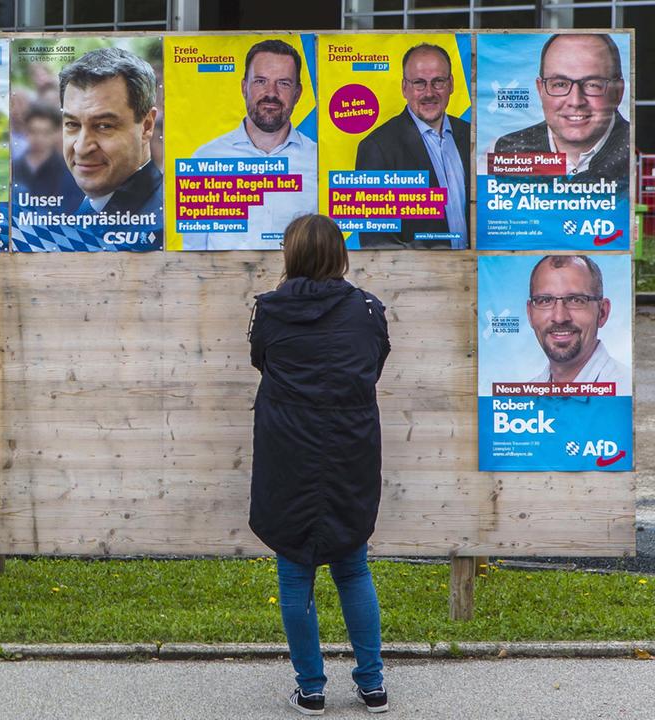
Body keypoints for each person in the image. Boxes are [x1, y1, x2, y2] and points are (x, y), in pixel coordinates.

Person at [248, 214, 391, 716]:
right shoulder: (368, 310)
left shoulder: (269, 311)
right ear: (338, 254)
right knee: (353, 566)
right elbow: (374, 366)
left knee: (294, 573)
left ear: (292, 255)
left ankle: (311, 688)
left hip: (288, 450)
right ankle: (372, 686)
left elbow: (261, 361)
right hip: (349, 448)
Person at [183, 40, 317, 250]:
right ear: (244, 87)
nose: (271, 93)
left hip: (296, 283)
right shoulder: (205, 158)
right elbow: (192, 249)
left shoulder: (317, 160)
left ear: (298, 93)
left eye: (283, 83)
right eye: (261, 81)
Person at [355, 44, 470, 249]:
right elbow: (376, 241)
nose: (429, 93)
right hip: (418, 277)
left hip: (477, 275)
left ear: (451, 84)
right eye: (419, 83)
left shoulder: (471, 135)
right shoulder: (377, 147)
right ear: (404, 88)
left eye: (438, 82)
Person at [494, 34, 629, 189]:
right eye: (559, 84)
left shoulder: (635, 150)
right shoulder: (511, 150)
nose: (575, 101)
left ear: (618, 92)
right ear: (541, 89)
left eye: (592, 84)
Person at [59, 47, 162, 216]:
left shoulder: (167, 222)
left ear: (146, 126)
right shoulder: (68, 211)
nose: (82, 148)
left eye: (104, 126)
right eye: (72, 124)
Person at [526, 255, 630, 393]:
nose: (559, 317)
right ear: (530, 314)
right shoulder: (523, 397)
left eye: (575, 300)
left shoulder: (625, 392)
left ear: (602, 313)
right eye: (545, 301)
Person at [12, 102, 83, 209]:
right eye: (33, 131)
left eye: (45, 133)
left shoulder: (68, 171)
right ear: (26, 131)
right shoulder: (14, 168)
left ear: (55, 134)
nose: (39, 138)